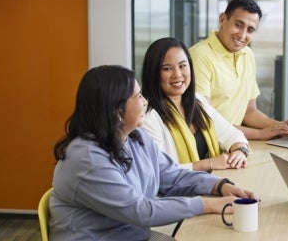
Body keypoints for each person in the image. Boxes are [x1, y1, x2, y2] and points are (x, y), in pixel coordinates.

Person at [49, 65, 258, 240]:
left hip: (135, 235)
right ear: (116, 110)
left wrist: (218, 186)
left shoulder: (134, 137)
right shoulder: (88, 159)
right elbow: (141, 211)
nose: (144, 102)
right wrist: (209, 204)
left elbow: (170, 176)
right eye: (138, 96)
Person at [189, 0, 288, 140]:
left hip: (235, 142)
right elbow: (205, 120)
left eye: (250, 30)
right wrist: (259, 134)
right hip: (209, 148)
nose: (242, 35)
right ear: (222, 19)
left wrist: (280, 126)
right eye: (238, 25)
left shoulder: (247, 54)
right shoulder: (199, 56)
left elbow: (249, 112)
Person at [141, 37, 249, 172]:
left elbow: (232, 134)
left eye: (182, 66)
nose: (178, 74)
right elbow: (158, 170)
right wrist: (208, 164)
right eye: (167, 68)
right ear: (153, 73)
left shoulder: (197, 101)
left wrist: (240, 151)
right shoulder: (147, 116)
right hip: (179, 191)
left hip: (210, 183)